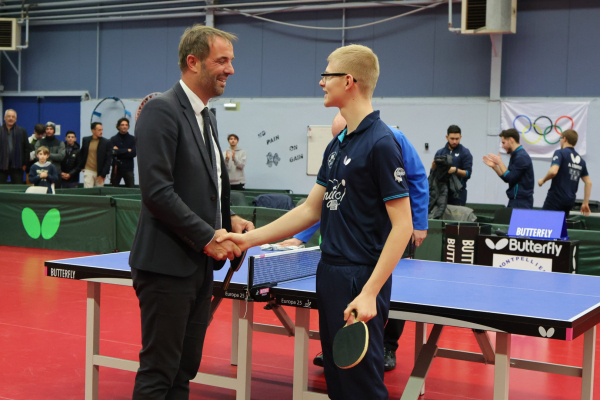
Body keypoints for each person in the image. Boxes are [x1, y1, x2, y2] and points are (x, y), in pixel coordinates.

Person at [218, 44, 413, 400]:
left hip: (360, 277)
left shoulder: (382, 143)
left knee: (362, 387)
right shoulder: (337, 146)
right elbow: (310, 210)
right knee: (338, 383)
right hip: (329, 272)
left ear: (349, 81)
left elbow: (403, 225)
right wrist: (248, 239)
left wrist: (369, 291)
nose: (322, 82)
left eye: (327, 75)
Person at [128, 25, 254, 400]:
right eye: (223, 60)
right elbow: (157, 191)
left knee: (183, 370)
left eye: (231, 61)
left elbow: (206, 184)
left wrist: (225, 220)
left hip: (197, 267)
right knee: (159, 373)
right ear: (193, 61)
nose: (231, 69)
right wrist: (207, 237)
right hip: (166, 266)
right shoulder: (161, 110)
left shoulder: (206, 116)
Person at [278, 112, 429, 371]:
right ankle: (343, 344)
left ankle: (387, 346)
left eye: (344, 135)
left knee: (387, 288)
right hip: (344, 251)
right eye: (337, 137)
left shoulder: (390, 140)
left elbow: (417, 178)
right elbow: (329, 201)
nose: (341, 141)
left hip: (385, 233)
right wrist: (300, 238)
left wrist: (418, 223)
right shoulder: (337, 148)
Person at [538, 129, 592, 217]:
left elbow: (553, 171)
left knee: (544, 224)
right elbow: (588, 182)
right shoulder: (581, 161)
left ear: (565, 139)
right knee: (560, 226)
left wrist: (543, 180)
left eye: (560, 138)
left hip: (555, 199)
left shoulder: (560, 153)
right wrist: (585, 203)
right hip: (569, 201)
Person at [483, 128, 534, 209]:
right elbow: (507, 178)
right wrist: (495, 167)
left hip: (521, 202)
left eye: (503, 143)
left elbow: (510, 177)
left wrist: (500, 163)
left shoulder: (521, 157)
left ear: (511, 140)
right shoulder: (515, 155)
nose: (502, 146)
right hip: (515, 200)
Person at [432, 125, 472, 206]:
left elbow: (468, 174)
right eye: (452, 139)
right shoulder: (440, 153)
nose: (454, 141)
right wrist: (433, 167)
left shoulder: (465, 153)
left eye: (457, 139)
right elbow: (432, 174)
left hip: (458, 193)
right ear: (447, 137)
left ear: (460, 137)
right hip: (441, 192)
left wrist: (456, 170)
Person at [0, 109, 29, 184]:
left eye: (13, 117)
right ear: (4, 118)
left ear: (15, 119)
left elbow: (26, 148)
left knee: (18, 189)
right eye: (8, 116)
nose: (11, 118)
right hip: (1, 165)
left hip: (18, 165)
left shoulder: (22, 131)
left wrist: (25, 164)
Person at [78, 122, 112, 188]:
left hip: (100, 172)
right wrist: (81, 166)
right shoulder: (86, 140)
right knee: (87, 192)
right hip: (88, 170)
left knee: (99, 193)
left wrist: (103, 174)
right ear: (93, 130)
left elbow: (108, 159)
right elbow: (81, 153)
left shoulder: (106, 142)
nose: (101, 132)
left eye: (102, 130)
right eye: (99, 130)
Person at [110, 117, 137, 187]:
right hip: (116, 168)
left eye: (126, 125)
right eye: (122, 125)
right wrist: (126, 150)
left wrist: (118, 151)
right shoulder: (113, 139)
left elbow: (133, 153)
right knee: (113, 189)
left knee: (131, 189)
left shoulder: (133, 139)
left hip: (128, 169)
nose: (124, 126)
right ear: (118, 126)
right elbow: (112, 152)